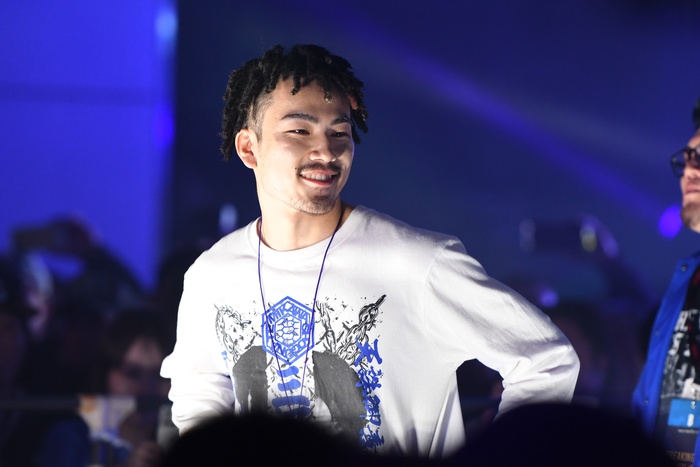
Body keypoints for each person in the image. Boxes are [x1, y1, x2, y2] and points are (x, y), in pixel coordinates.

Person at [160, 43, 580, 460]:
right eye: (300, 131)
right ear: (249, 147)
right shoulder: (211, 276)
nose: (326, 151)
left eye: (339, 133)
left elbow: (546, 361)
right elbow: (198, 395)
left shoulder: (416, 263)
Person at [633, 96, 700, 467]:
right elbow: (647, 401)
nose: (689, 171)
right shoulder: (684, 279)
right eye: (687, 159)